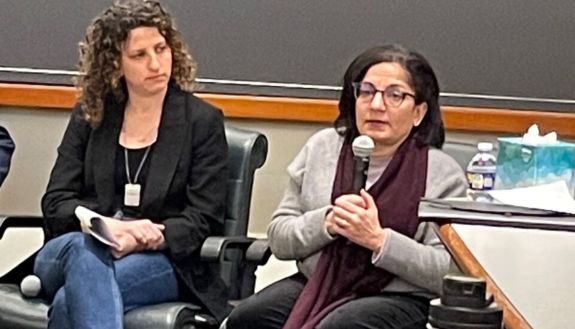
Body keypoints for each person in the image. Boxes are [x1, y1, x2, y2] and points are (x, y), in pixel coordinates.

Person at [225, 44, 467, 329]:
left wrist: (378, 240)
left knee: (340, 326)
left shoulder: (442, 174)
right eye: (367, 92)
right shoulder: (322, 148)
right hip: (320, 282)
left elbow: (448, 272)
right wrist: (328, 221)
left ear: (419, 112)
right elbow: (279, 237)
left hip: (400, 296)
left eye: (394, 95)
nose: (377, 105)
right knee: (247, 318)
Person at [33, 1, 229, 328]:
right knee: (86, 250)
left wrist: (143, 236)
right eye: (139, 55)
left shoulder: (202, 122)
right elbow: (56, 202)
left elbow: (203, 218)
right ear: (114, 64)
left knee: (71, 301)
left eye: (161, 49)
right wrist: (101, 226)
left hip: (160, 259)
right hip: (73, 248)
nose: (156, 63)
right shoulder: (91, 115)